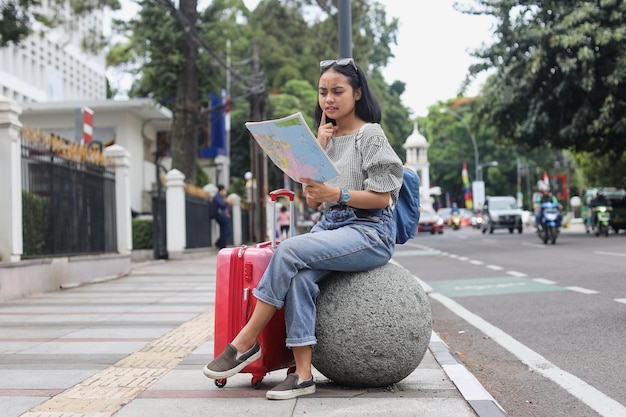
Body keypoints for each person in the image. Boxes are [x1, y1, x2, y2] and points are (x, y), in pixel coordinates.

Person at [203, 57, 403, 400]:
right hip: (333, 226)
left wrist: (336, 193)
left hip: (370, 231)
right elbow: (314, 201)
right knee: (298, 278)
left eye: (337, 91)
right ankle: (304, 375)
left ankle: (245, 341)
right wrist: (319, 149)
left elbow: (383, 198)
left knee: (289, 250)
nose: (328, 99)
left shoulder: (370, 135)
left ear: (357, 93)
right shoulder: (325, 135)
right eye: (323, 92)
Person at [210, 185, 231, 249]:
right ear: (221, 190)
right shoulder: (217, 197)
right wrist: (227, 202)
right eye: (224, 190)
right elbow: (222, 205)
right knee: (225, 231)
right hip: (220, 217)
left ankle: (220, 244)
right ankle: (220, 244)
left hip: (221, 216)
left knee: (225, 231)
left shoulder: (220, 197)